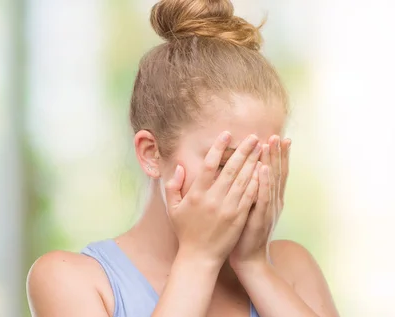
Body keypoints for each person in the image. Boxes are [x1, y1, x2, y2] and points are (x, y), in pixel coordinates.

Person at [26, 0, 339, 316]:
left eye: (263, 163)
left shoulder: (291, 268)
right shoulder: (71, 279)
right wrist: (198, 258)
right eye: (226, 162)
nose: (248, 185)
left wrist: (254, 266)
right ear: (151, 153)